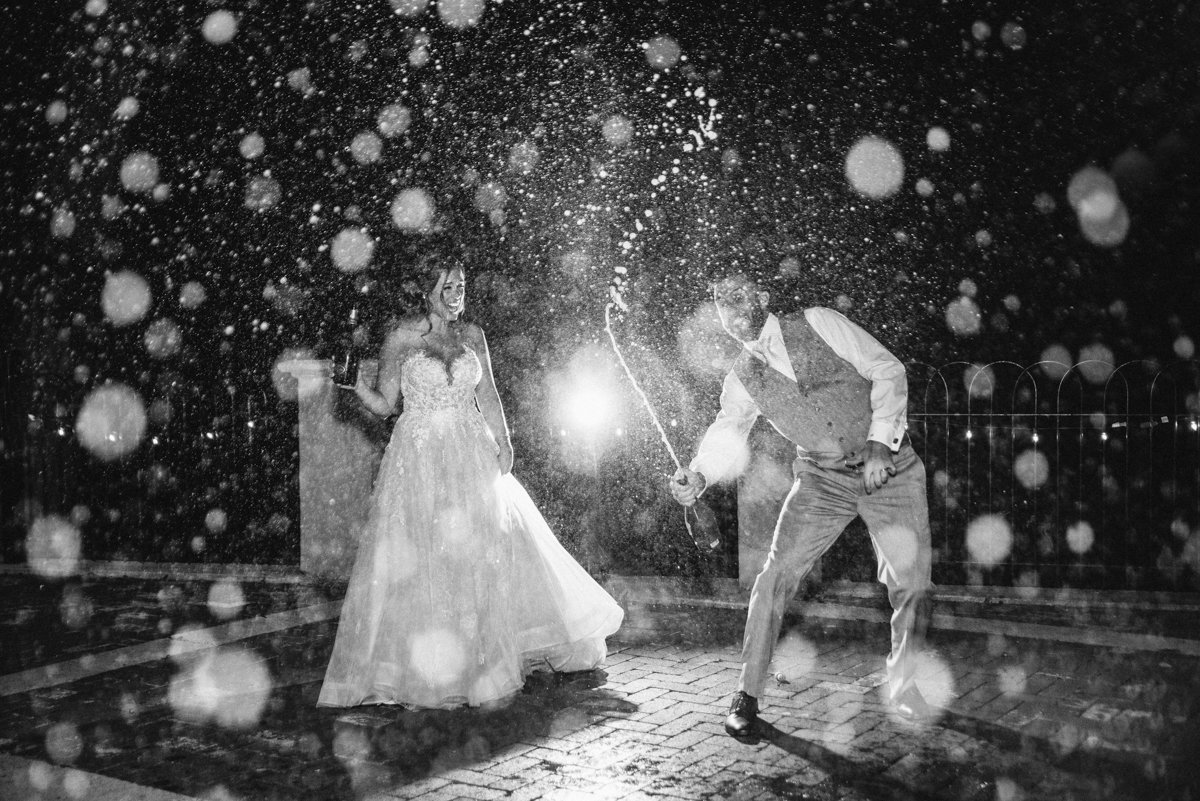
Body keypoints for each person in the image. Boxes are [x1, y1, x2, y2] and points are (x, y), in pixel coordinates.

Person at [318, 260, 624, 709]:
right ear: (428, 289)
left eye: (461, 285)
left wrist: (505, 440)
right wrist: (354, 388)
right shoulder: (402, 338)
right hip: (419, 458)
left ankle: (485, 656)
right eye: (447, 286)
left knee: (484, 552)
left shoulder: (473, 336)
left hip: (470, 451)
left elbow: (489, 395)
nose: (456, 293)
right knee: (425, 558)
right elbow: (385, 405)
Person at [670, 270, 934, 738]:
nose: (729, 311)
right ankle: (746, 694)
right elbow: (728, 431)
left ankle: (904, 681)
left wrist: (879, 443)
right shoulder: (741, 376)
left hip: (889, 469)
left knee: (912, 583)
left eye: (736, 297)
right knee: (774, 576)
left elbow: (888, 369)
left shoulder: (819, 322)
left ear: (763, 298)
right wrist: (700, 473)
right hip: (821, 479)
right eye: (719, 304)